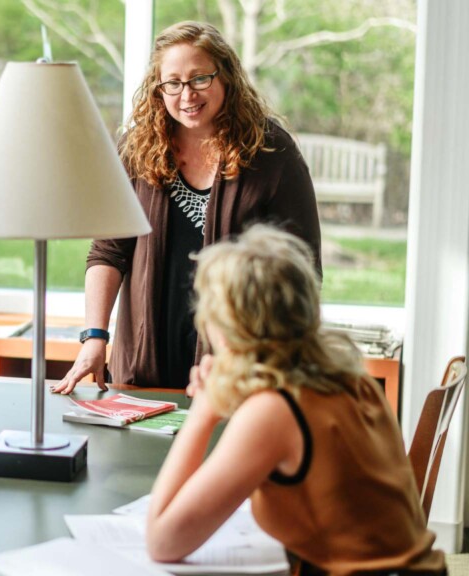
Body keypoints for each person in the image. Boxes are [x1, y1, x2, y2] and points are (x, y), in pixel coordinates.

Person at [145, 225, 445, 574]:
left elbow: (163, 542)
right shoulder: (351, 379)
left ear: (227, 331)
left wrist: (203, 411)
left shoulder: (272, 412)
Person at [53, 21, 321, 393]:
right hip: (146, 361)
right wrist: (94, 337)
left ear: (225, 76)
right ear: (158, 88)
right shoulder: (137, 148)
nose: (187, 94)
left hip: (241, 365)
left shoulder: (272, 152)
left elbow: (301, 268)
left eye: (199, 79)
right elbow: (109, 251)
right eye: (173, 83)